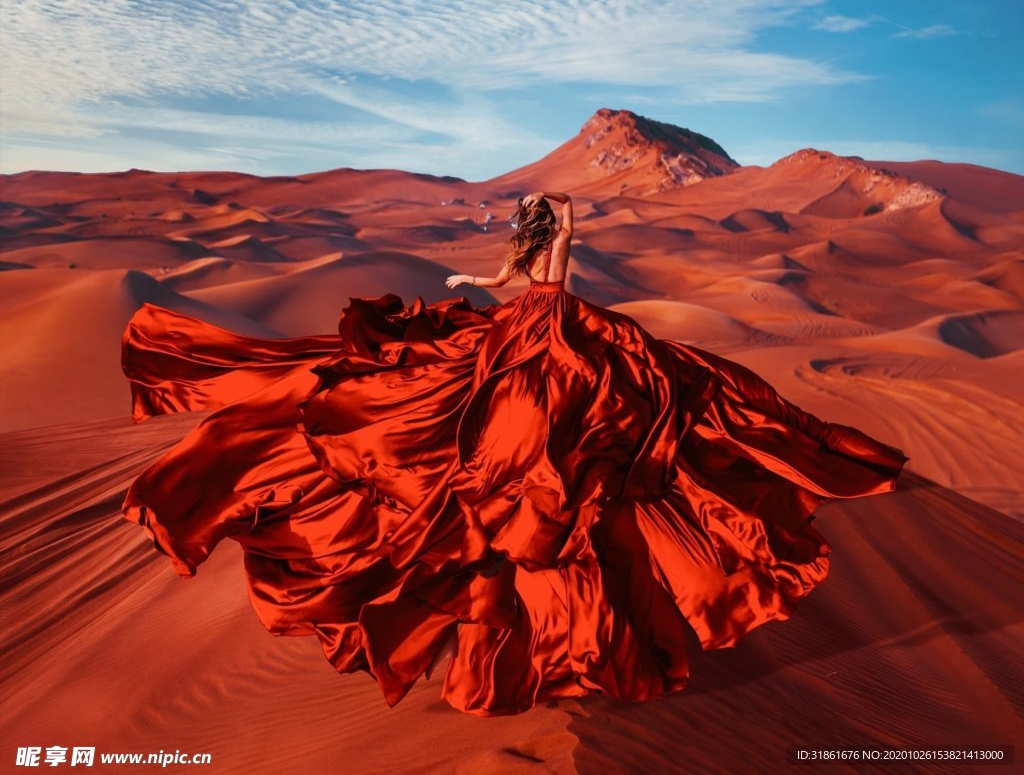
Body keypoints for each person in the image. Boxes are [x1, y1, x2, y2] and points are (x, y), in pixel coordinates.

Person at [120, 189, 908, 717]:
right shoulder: (542, 246)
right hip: (542, 321)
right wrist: (496, 263)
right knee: (510, 408)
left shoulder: (543, 244)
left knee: (557, 407)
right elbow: (515, 268)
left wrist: (535, 239)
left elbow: (526, 267)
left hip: (546, 325)